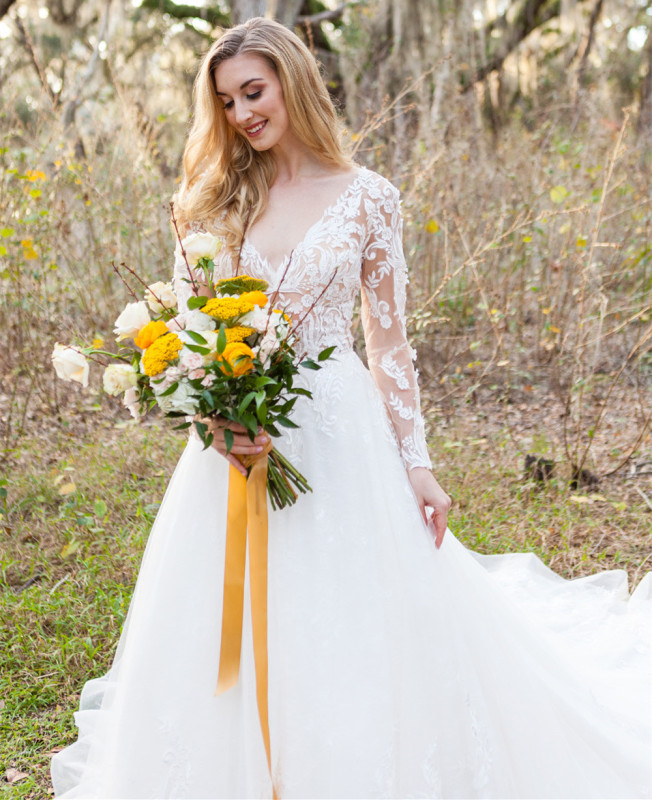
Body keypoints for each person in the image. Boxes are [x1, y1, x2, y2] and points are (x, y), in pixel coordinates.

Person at [52, 17, 651, 799]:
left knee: (355, 614)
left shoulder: (370, 198)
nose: (242, 115)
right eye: (227, 101)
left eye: (254, 92)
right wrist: (211, 413)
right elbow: (186, 332)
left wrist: (419, 466)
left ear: (293, 80)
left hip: (339, 429)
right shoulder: (208, 203)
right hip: (237, 438)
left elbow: (389, 344)